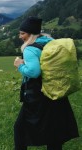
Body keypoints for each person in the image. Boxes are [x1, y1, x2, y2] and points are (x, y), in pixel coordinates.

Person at [13, 16, 79, 150]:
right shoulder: (50, 41)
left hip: (38, 94)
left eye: (23, 33)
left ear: (31, 34)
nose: (20, 36)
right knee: (54, 129)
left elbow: (34, 72)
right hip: (55, 89)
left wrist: (19, 65)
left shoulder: (30, 49)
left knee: (19, 128)